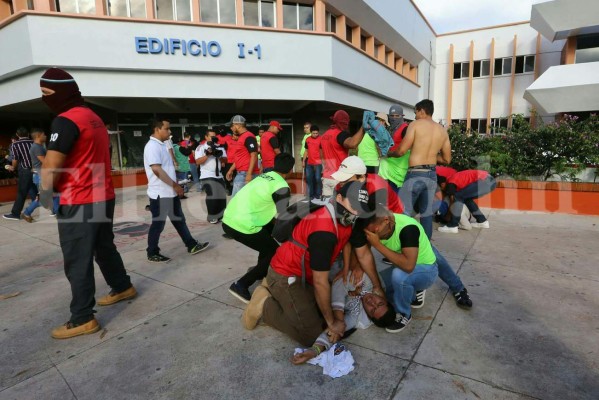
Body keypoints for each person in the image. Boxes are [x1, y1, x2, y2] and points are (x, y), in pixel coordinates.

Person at [38, 68, 136, 339]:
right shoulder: (94, 117)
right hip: (103, 195)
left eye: (46, 93)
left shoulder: (65, 121)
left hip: (79, 199)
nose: (43, 98)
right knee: (104, 247)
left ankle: (82, 317)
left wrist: (45, 195)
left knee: (77, 258)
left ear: (62, 93)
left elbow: (52, 164)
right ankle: (122, 286)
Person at [242, 181, 385, 348]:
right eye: (353, 206)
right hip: (287, 274)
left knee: (319, 314)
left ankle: (276, 292)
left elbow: (360, 251)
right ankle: (265, 305)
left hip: (305, 273)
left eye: (360, 208)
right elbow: (320, 282)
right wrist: (332, 323)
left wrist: (373, 284)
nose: (356, 212)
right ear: (339, 198)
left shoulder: (345, 217)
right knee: (310, 336)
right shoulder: (324, 232)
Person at [223, 153, 295, 302]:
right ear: (290, 170)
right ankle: (241, 284)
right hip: (243, 224)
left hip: (229, 218)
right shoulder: (281, 186)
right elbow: (283, 219)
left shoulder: (264, 176)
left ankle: (262, 272)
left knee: (267, 245)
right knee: (276, 252)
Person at [291, 270, 395, 364]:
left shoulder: (356, 316)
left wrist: (313, 351)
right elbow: (340, 283)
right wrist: (339, 316)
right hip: (331, 264)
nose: (372, 302)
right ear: (384, 299)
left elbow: (335, 331)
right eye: (379, 303)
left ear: (368, 315)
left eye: (372, 310)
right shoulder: (374, 283)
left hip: (317, 283)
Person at [144, 118, 209, 263]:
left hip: (169, 193)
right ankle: (152, 252)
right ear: (157, 129)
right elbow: (156, 169)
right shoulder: (152, 146)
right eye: (167, 128)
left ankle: (191, 245)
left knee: (179, 220)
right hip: (161, 194)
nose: (170, 131)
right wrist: (175, 185)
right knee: (158, 225)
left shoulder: (162, 145)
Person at [364, 206, 438, 333]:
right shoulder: (374, 225)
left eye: (375, 231)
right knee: (380, 284)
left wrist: (377, 245)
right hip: (405, 265)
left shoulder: (407, 229)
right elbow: (360, 249)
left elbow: (408, 266)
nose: (373, 235)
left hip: (427, 271)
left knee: (399, 276)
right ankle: (415, 290)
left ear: (386, 220)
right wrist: (355, 267)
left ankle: (404, 314)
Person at [397, 100, 451, 239]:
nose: (414, 116)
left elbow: (402, 151)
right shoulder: (442, 130)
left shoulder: (415, 125)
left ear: (422, 111)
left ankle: (401, 252)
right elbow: (446, 159)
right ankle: (426, 253)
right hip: (431, 174)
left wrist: (388, 154)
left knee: (404, 213)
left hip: (415, 174)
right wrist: (432, 155)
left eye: (415, 113)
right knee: (426, 214)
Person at [320, 110, 366, 198]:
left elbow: (321, 154)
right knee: (341, 207)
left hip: (326, 177)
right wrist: (363, 128)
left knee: (328, 207)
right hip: (339, 177)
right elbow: (352, 144)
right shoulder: (340, 134)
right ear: (343, 123)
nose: (347, 126)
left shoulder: (325, 135)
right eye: (346, 124)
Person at [22, 128, 59, 221]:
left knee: (53, 196)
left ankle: (58, 212)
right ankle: (27, 212)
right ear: (38, 136)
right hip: (42, 176)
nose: (45, 136)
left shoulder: (38, 146)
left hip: (42, 175)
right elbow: (45, 162)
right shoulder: (37, 147)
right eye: (44, 134)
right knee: (45, 198)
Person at [195, 129, 227, 223]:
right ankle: (212, 216)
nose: (213, 138)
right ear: (206, 137)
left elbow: (225, 160)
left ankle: (221, 215)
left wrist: (219, 156)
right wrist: (208, 155)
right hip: (207, 174)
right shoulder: (201, 148)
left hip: (219, 175)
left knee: (221, 196)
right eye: (211, 136)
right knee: (212, 195)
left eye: (214, 136)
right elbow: (198, 161)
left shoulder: (219, 147)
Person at [3, 127, 35, 221]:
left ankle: (15, 213)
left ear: (17, 135)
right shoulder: (33, 142)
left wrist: (13, 167)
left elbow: (15, 159)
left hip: (25, 170)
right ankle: (54, 210)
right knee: (35, 189)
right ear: (28, 134)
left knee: (21, 192)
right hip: (36, 170)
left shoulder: (15, 144)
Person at [225, 115, 259, 197]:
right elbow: (240, 157)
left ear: (238, 125)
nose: (231, 128)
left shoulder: (248, 137)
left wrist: (249, 174)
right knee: (244, 201)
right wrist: (230, 170)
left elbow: (254, 155)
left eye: (232, 126)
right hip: (242, 173)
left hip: (245, 173)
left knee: (236, 202)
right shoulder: (241, 137)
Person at [379, 104, 410, 193]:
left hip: (399, 171)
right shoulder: (390, 129)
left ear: (402, 116)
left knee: (397, 200)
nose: (394, 118)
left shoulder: (405, 129)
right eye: (392, 116)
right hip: (388, 171)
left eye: (397, 116)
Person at [302, 125, 323, 200]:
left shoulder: (321, 139)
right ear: (310, 132)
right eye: (313, 133)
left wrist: (323, 161)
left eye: (316, 133)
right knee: (309, 178)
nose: (315, 135)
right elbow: (306, 151)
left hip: (318, 162)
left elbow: (322, 151)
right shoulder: (307, 139)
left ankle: (318, 194)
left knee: (317, 178)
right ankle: (310, 194)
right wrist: (304, 161)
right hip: (309, 162)